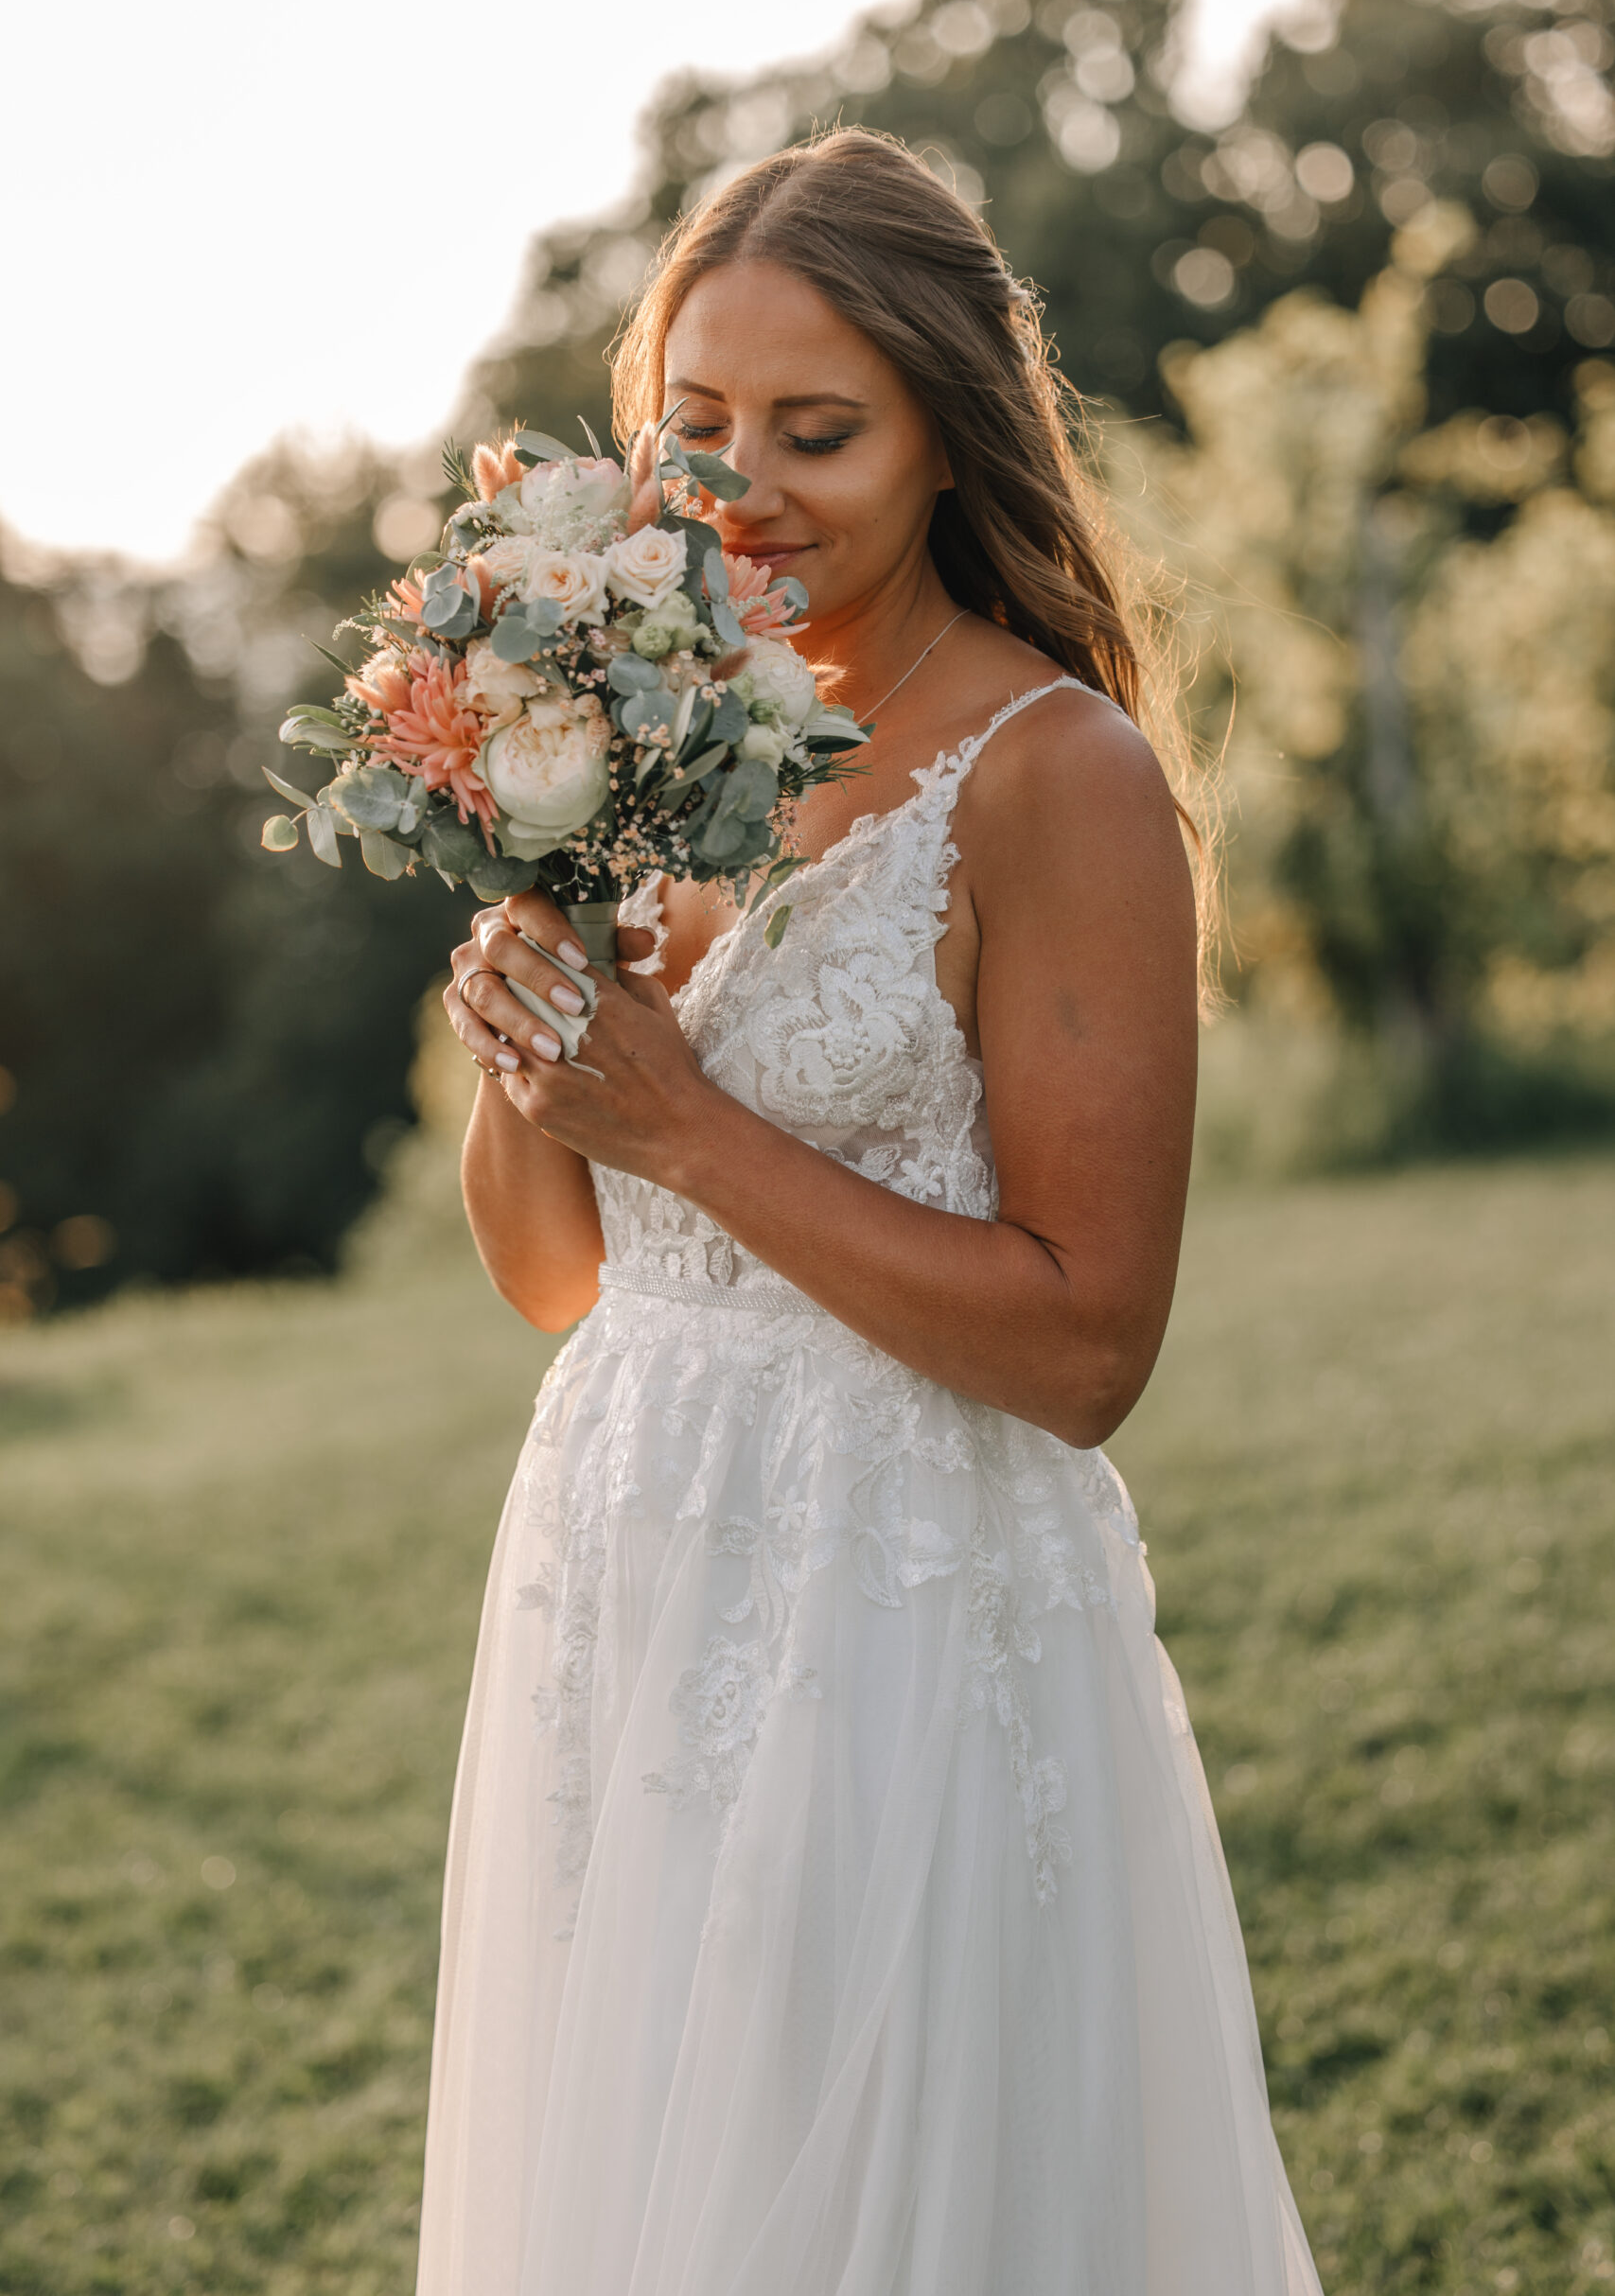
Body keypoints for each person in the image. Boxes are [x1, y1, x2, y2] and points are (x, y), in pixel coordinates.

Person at [418, 129, 1323, 2295]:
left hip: (899, 1613)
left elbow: (1086, 1344)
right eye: (694, 423)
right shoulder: (635, 736)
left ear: (945, 431)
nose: (738, 485)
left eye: (815, 430)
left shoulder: (1049, 772)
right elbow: (562, 1269)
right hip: (624, 1582)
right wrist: (533, 1036)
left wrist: (685, 1127)